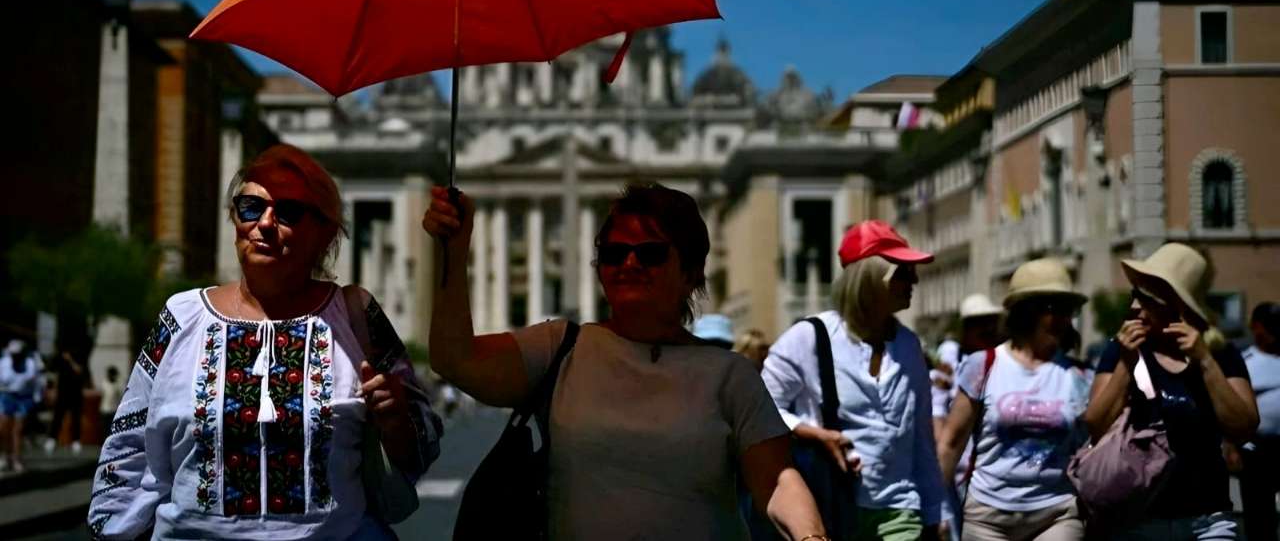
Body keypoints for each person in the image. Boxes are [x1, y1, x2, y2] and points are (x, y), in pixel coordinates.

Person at [425, 181, 829, 540]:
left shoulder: (730, 375)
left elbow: (777, 480)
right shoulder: (560, 347)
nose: (629, 264)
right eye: (615, 254)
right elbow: (456, 360)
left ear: (690, 272)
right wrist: (453, 252)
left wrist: (811, 537)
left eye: (650, 253)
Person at [88, 144, 442, 540]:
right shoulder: (182, 316)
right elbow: (127, 450)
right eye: (250, 208)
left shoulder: (356, 315)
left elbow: (423, 440)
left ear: (325, 231)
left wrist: (394, 421)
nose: (265, 223)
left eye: (288, 212)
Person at [763, 219, 949, 540]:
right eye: (903, 272)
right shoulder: (810, 337)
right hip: (829, 505)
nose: (914, 280)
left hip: (900, 508)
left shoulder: (909, 345)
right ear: (871, 277)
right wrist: (815, 434)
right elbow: (759, 407)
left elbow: (921, 437)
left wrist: (935, 512)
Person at [1083, 243, 1258, 540]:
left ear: (1179, 305)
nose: (1136, 307)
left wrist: (1204, 361)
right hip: (1137, 519)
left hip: (1208, 518)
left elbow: (1243, 428)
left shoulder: (1219, 353)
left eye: (1147, 298)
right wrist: (1128, 364)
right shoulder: (1120, 349)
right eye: (1134, 294)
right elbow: (1096, 425)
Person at [936, 258, 1091, 541]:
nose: (1063, 319)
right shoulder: (983, 365)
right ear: (1026, 312)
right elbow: (951, 442)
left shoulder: (1079, 376)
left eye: (1068, 310)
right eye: (1052, 309)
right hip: (988, 519)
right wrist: (934, 509)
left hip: (1057, 514)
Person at [932, 294, 1004, 443]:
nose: (987, 329)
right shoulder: (951, 356)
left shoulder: (1002, 359)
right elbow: (937, 406)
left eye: (990, 322)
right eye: (979, 324)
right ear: (965, 328)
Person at [1241, 302, 1280, 541]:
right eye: (1271, 326)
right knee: (1259, 516)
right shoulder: (1244, 362)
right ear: (1255, 327)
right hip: (1257, 450)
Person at [0, 339, 44, 473]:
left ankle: (16, 458)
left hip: (23, 398)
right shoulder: (4, 363)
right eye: (14, 354)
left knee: (17, 430)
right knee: (3, 429)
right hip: (7, 396)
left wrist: (37, 398)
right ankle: (4, 456)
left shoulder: (30, 364)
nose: (16, 356)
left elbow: (37, 382)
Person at [46, 338, 88, 453]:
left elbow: (79, 371)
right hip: (62, 392)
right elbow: (55, 375)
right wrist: (53, 390)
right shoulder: (59, 359)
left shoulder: (79, 358)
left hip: (75, 392)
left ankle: (76, 441)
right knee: (57, 417)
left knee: (76, 418)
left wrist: (70, 360)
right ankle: (52, 439)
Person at [98, 365, 124, 438]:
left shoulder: (117, 385)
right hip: (105, 410)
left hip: (113, 410)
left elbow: (120, 396)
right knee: (105, 428)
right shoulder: (104, 383)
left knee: (112, 428)